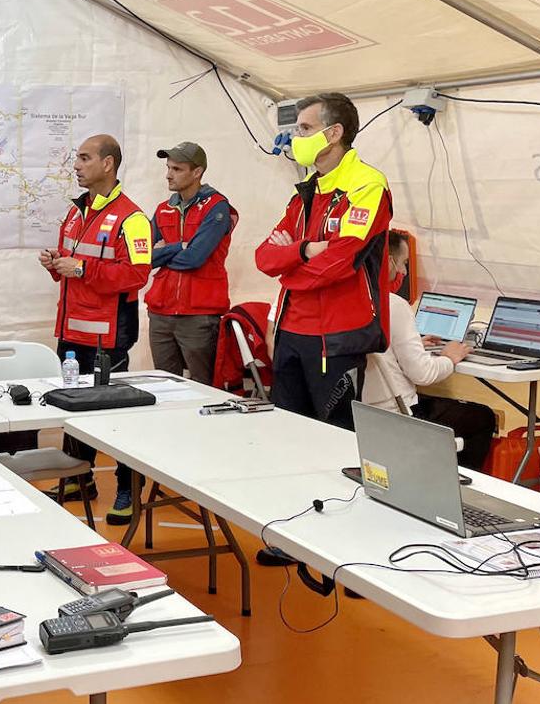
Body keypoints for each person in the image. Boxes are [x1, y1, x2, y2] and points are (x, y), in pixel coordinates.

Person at [255, 92, 393, 432]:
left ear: (334, 133)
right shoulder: (306, 190)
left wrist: (289, 268)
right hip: (290, 332)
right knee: (288, 432)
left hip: (337, 338)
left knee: (336, 437)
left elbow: (338, 262)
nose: (296, 137)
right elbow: (264, 257)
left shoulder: (367, 186)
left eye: (305, 128)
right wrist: (303, 250)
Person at [39, 134, 152, 523]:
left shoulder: (133, 219)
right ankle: (78, 478)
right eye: (77, 158)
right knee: (73, 408)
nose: (76, 165)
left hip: (109, 335)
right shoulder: (75, 212)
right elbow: (72, 267)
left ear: (108, 164)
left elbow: (137, 274)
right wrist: (56, 263)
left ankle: (127, 489)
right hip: (72, 331)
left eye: (85, 158)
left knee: (115, 416)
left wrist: (82, 268)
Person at [362, 231, 495, 470]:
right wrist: (449, 358)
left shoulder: (353, 300)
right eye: (403, 263)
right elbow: (423, 374)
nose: (404, 272)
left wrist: (413, 344)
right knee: (482, 416)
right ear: (389, 261)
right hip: (399, 412)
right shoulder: (394, 304)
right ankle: (459, 484)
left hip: (364, 410)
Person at [146, 141, 236, 384]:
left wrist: (165, 251)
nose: (168, 175)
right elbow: (143, 257)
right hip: (160, 312)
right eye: (168, 168)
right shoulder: (163, 209)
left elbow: (195, 258)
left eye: (177, 169)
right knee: (164, 386)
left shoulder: (217, 206)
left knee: (203, 387)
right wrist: (180, 246)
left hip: (199, 314)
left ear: (197, 172)